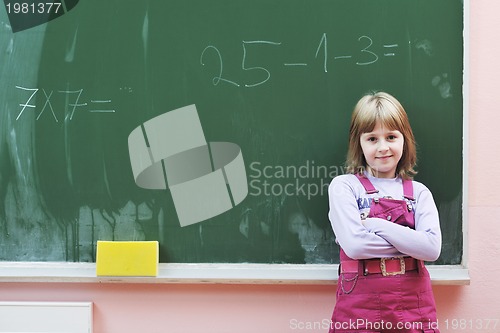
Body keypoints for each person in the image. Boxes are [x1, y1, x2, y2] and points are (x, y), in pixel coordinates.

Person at [327, 91, 442, 333]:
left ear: (404, 140)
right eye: (372, 139)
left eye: (391, 136)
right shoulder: (345, 186)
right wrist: (412, 243)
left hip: (414, 305)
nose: (383, 147)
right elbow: (355, 246)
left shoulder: (420, 193)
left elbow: (431, 249)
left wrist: (376, 225)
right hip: (359, 307)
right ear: (358, 142)